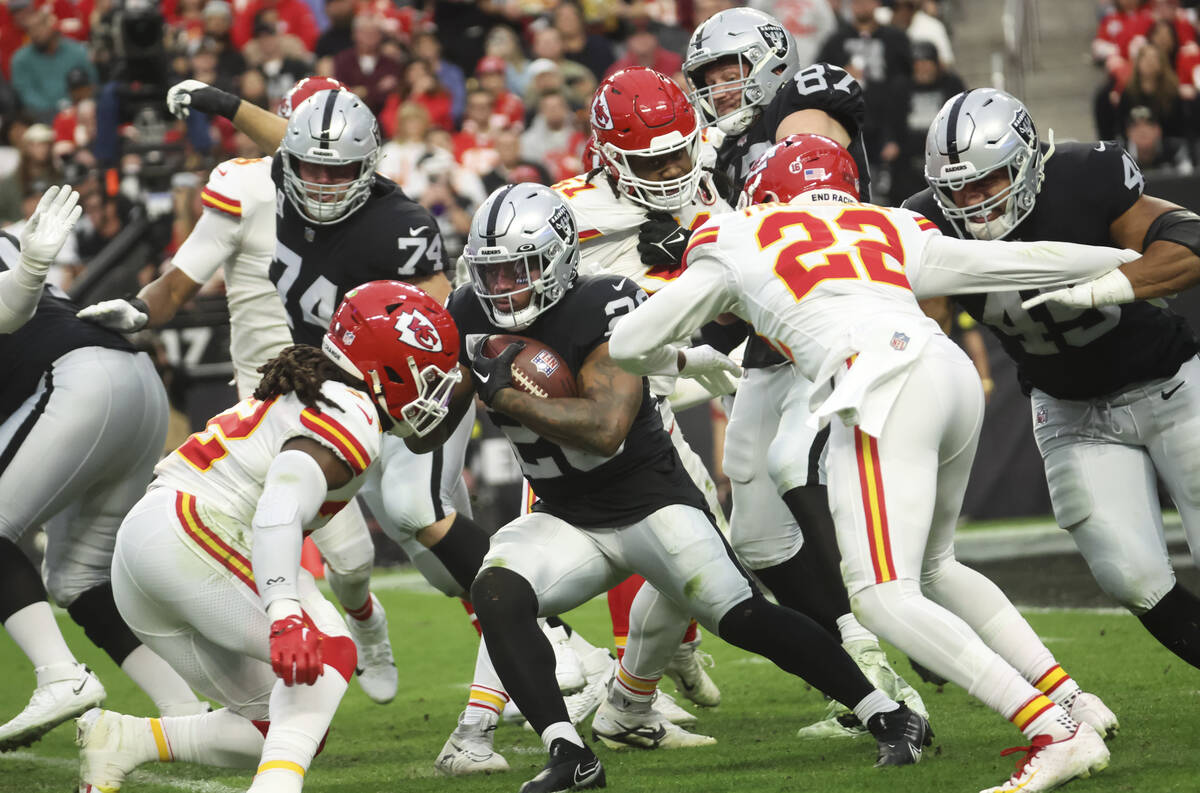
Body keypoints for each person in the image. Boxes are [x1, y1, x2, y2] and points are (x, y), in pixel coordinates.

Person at [609, 133, 1131, 793]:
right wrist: (1129, 260)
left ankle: (1054, 731)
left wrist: (688, 360)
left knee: (883, 595)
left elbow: (629, 341)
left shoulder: (737, 232)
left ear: (765, 195)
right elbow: (1015, 260)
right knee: (937, 566)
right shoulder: (888, 222)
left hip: (880, 381)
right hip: (948, 372)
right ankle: (1073, 699)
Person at [414, 182, 933, 793]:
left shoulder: (604, 302)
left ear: (557, 260)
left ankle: (889, 716)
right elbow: (432, 429)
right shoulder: (467, 313)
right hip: (566, 517)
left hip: (649, 504)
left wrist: (499, 394)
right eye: (493, 274)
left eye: (519, 272)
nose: (503, 290)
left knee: (743, 618)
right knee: (496, 593)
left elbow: (605, 430)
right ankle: (569, 755)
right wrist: (425, 401)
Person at [160, 78, 601, 774]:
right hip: (358, 398)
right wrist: (222, 103)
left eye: (341, 171)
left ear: (368, 168)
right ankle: (553, 645)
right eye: (312, 167)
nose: (324, 183)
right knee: (431, 557)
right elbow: (302, 145)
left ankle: (550, 637)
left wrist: (427, 408)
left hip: (421, 388)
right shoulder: (294, 175)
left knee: (411, 506)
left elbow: (435, 335)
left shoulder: (398, 224)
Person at [77, 77, 403, 705]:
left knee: (355, 560)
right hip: (268, 405)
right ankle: (253, 662)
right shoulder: (247, 188)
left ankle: (366, 623)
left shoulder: (371, 202)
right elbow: (178, 282)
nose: (323, 172)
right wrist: (140, 313)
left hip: (346, 392)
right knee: (265, 537)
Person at [76, 281, 462, 793]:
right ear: (386, 369)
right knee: (328, 654)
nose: (435, 391)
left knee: (281, 722)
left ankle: (126, 740)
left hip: (153, 548)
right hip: (193, 532)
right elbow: (279, 505)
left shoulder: (326, 392)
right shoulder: (354, 415)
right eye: (429, 376)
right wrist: (284, 613)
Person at [676, 5, 924, 737]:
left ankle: (883, 653)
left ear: (772, 61)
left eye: (732, 70)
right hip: (767, 347)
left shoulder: (807, 106)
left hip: (834, 333)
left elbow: (818, 147)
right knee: (753, 534)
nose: (720, 89)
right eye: (708, 78)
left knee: (801, 470)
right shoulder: (716, 152)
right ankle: (860, 656)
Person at [905, 87, 1200, 675]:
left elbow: (1189, 242)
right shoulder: (927, 224)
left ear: (1027, 160)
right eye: (958, 189)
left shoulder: (1081, 176)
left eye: (988, 182)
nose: (975, 202)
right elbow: (924, 331)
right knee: (1131, 577)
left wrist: (1108, 286)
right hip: (1070, 413)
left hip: (1171, 386)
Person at [0, 186, 207, 752]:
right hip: (132, 380)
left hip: (76, 383)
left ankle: (60, 676)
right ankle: (183, 704)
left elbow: (8, 310)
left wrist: (30, 268)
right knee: (77, 579)